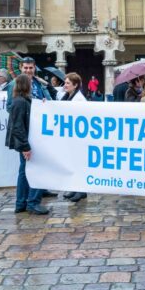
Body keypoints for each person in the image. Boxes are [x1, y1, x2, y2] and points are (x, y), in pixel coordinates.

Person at [5, 74, 49, 215]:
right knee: (35, 170)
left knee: (24, 172)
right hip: (25, 143)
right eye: (30, 83)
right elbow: (18, 127)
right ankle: (32, 202)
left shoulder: (24, 100)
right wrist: (25, 147)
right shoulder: (19, 102)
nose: (32, 85)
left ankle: (22, 203)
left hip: (26, 142)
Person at [58, 73, 88, 203]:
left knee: (79, 164)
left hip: (78, 138)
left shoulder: (79, 99)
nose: (65, 85)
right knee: (73, 164)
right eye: (65, 83)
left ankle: (81, 191)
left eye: (68, 83)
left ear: (75, 85)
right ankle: (74, 188)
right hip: (69, 137)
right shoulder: (67, 96)